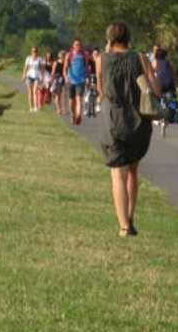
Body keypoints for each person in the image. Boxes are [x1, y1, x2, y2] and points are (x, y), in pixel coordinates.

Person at [96, 22, 160, 238]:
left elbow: (101, 90)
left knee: (117, 173)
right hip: (138, 122)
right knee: (133, 170)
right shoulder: (140, 58)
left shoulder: (101, 60)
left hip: (113, 121)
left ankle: (123, 226)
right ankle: (130, 218)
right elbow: (156, 89)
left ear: (109, 38)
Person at [64, 39, 90, 125]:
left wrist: (87, 77)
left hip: (81, 80)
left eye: (79, 44)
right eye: (76, 44)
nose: (78, 46)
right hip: (71, 80)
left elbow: (86, 67)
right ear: (73, 46)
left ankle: (79, 115)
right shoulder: (69, 55)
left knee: (79, 98)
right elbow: (65, 68)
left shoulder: (84, 55)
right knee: (72, 101)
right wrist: (66, 77)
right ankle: (73, 114)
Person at [23, 46, 44, 112]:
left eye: (35, 51)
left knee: (35, 91)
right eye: (33, 51)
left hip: (36, 76)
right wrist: (23, 75)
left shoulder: (39, 59)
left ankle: (35, 107)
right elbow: (25, 67)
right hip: (29, 76)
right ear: (31, 52)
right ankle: (31, 107)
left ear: (37, 52)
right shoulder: (28, 58)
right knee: (30, 92)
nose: (34, 52)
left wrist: (42, 76)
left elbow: (42, 68)